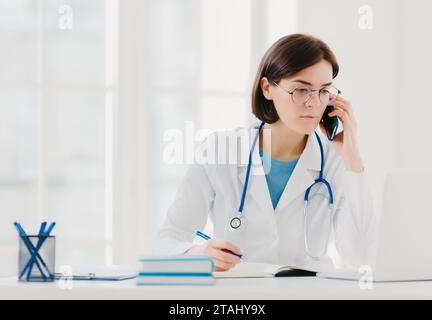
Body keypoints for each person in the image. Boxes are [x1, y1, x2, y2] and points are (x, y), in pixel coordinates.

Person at [153, 34, 376, 272]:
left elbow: (361, 254)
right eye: (302, 90)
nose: (314, 103)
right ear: (268, 88)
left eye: (323, 91)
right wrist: (199, 253)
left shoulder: (333, 159)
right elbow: (165, 243)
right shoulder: (220, 150)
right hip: (242, 299)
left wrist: (353, 159)